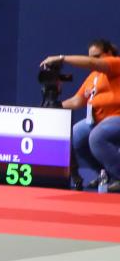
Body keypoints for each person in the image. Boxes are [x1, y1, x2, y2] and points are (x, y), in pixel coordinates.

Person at [45, 40, 120, 192]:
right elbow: (77, 100)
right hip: (98, 119)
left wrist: (62, 58)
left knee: (97, 137)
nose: (93, 60)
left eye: (97, 56)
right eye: (91, 57)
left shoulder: (116, 63)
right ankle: (105, 174)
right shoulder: (94, 76)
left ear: (109, 54)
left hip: (117, 116)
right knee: (75, 135)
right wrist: (53, 106)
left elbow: (92, 63)